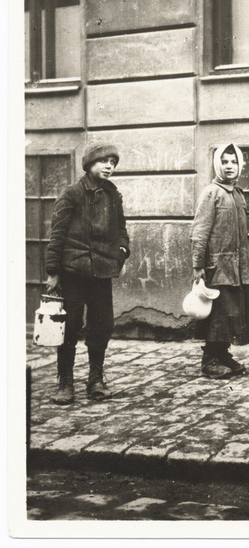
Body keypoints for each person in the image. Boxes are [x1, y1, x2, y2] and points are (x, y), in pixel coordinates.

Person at [45, 141, 130, 404]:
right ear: (89, 164)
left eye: (112, 163)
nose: (108, 166)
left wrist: (121, 254)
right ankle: (65, 383)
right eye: (103, 161)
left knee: (102, 325)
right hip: (73, 272)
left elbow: (122, 231)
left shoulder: (113, 196)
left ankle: (95, 380)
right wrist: (53, 271)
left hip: (102, 272)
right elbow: (56, 234)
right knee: (69, 327)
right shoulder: (71, 194)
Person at [190, 143, 249, 378]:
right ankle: (210, 360)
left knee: (231, 313)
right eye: (224, 161)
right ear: (217, 164)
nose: (229, 166)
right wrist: (198, 266)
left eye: (233, 161)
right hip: (217, 267)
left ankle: (224, 355)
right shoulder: (211, 193)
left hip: (237, 267)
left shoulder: (238, 194)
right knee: (218, 315)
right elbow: (199, 232)